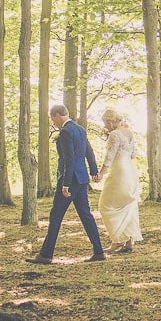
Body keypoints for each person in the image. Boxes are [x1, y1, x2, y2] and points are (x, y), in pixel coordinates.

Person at [26, 104, 106, 264]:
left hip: (70, 180)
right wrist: (93, 171)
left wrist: (65, 184)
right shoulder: (80, 129)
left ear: (57, 115)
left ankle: (46, 255)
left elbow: (69, 159)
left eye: (52, 118)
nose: (53, 122)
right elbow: (89, 152)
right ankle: (99, 252)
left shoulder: (65, 132)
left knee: (55, 216)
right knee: (86, 215)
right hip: (82, 178)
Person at [94, 107, 143, 252]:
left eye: (105, 123)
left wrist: (101, 173)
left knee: (105, 205)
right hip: (129, 170)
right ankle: (128, 242)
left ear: (110, 121)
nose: (104, 126)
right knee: (127, 204)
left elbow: (110, 156)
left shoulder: (115, 134)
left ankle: (116, 240)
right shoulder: (129, 133)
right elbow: (133, 154)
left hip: (118, 171)